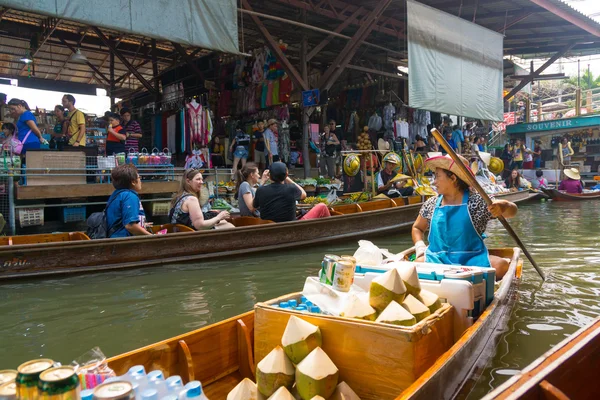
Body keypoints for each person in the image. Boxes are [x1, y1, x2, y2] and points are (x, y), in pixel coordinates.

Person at [411, 154, 518, 279]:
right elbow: (417, 228)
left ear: (453, 178)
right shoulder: (431, 203)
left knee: (502, 266)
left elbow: (512, 211)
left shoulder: (477, 201)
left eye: (437, 176)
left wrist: (504, 206)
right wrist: (420, 247)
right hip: (437, 260)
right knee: (414, 267)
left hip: (471, 260)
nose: (434, 182)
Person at [253, 162, 330, 222]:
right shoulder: (291, 188)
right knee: (322, 206)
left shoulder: (261, 190)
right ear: (286, 175)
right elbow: (304, 194)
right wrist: (288, 179)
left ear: (269, 176)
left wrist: (262, 182)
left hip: (270, 229)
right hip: (292, 228)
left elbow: (254, 205)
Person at [169, 169, 233, 230]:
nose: (201, 182)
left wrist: (212, 213)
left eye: (202, 179)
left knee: (223, 222)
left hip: (180, 231)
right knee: (228, 226)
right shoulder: (191, 199)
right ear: (188, 181)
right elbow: (199, 225)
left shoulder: (180, 196)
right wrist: (219, 217)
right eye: (198, 179)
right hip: (188, 235)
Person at [106, 164, 151, 238]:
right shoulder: (130, 196)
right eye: (139, 177)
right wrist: (152, 237)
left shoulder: (117, 195)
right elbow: (130, 226)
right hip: (124, 242)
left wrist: (142, 224)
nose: (140, 181)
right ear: (133, 182)